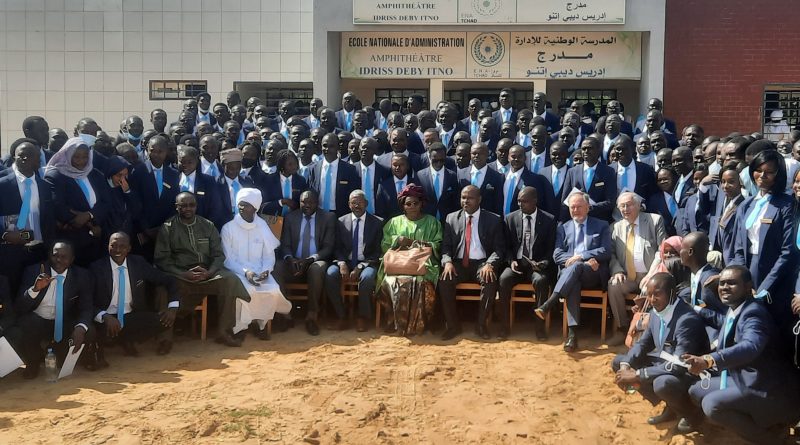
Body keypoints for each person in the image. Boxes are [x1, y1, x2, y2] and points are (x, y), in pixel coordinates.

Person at [683, 266, 800, 441]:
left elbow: (751, 345)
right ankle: (749, 424)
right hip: (743, 378)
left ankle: (771, 438)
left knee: (711, 404)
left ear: (748, 287)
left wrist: (709, 360)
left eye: (732, 283)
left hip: (765, 387)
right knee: (696, 390)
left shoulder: (754, 314)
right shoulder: (736, 309)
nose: (724, 287)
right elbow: (722, 321)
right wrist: (697, 310)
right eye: (722, 283)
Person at [612, 272, 710, 429]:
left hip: (689, 373)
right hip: (666, 363)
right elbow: (643, 344)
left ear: (672, 293)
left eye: (657, 294)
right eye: (649, 294)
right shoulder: (656, 313)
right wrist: (626, 366)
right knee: (619, 362)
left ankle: (692, 413)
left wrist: (637, 375)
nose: (652, 299)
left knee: (662, 383)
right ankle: (670, 406)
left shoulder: (687, 320)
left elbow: (679, 364)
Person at [154, 192, 249, 347]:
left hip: (207, 275)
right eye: (183, 206)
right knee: (162, 288)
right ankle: (165, 339)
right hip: (181, 276)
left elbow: (218, 255)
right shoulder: (168, 228)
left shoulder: (208, 225)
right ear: (177, 207)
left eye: (191, 205)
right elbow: (162, 260)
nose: (188, 208)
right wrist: (183, 274)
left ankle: (224, 332)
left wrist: (210, 272)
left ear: (196, 206)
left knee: (230, 280)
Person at [730, 149, 796, 347]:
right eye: (758, 170)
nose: (762, 176)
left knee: (772, 333)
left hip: (776, 276)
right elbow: (739, 246)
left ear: (778, 174)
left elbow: (788, 251)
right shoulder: (746, 205)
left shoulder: (787, 204)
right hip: (748, 271)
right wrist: (742, 279)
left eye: (769, 172)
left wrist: (764, 287)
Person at [536, 191, 611, 352]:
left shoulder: (602, 225)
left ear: (588, 207)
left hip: (593, 273)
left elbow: (606, 250)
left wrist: (581, 256)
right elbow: (557, 254)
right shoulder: (563, 227)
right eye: (572, 207)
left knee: (576, 267)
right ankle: (572, 336)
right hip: (572, 274)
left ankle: (551, 302)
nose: (575, 210)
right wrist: (578, 260)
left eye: (579, 207)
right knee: (574, 281)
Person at [90, 232, 178, 361]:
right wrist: (104, 316)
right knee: (96, 336)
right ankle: (111, 340)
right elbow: (87, 300)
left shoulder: (138, 263)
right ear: (108, 246)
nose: (117, 250)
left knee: (164, 322)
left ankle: (126, 339)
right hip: (107, 318)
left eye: (122, 246)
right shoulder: (96, 268)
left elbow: (169, 280)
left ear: (129, 248)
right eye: (113, 246)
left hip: (130, 315)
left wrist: (173, 307)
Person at [221, 188, 291, 341]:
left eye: (246, 205)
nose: (241, 207)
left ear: (254, 208)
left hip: (260, 271)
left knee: (272, 290)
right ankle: (240, 327)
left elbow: (268, 256)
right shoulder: (228, 228)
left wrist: (266, 270)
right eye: (240, 204)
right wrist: (246, 272)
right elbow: (228, 260)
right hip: (238, 272)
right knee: (247, 290)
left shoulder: (262, 227)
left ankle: (261, 324)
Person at [15, 241, 92, 379]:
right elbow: (19, 307)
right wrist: (35, 289)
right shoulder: (33, 271)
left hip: (63, 322)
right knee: (27, 323)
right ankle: (32, 362)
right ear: (49, 255)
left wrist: (80, 328)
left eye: (64, 257)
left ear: (72, 259)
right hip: (37, 320)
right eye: (55, 255)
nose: (59, 260)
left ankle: (61, 355)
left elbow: (86, 307)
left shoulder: (82, 275)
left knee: (89, 330)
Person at [438, 186, 506, 340]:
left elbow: (499, 249)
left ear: (479, 199)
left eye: (470, 198)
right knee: (444, 280)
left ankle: (481, 326)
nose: (465, 201)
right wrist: (447, 262)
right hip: (458, 263)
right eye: (463, 197)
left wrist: (489, 264)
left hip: (482, 263)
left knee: (489, 280)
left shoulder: (493, 219)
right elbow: (446, 247)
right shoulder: (451, 218)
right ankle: (453, 326)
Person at [376, 184, 442, 336]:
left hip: (424, 263)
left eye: (415, 203)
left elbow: (438, 244)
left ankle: (419, 325)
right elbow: (385, 245)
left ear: (421, 204)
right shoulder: (394, 222)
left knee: (420, 282)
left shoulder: (432, 222)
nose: (412, 207)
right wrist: (397, 240)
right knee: (393, 282)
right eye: (408, 204)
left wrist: (419, 244)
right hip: (397, 264)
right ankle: (396, 323)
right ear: (403, 206)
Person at [274, 190, 337, 336]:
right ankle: (285, 314)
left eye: (311, 202)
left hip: (315, 261)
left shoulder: (328, 217)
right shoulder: (290, 217)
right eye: (303, 202)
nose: (307, 205)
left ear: (317, 203)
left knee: (316, 269)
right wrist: (290, 258)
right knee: (276, 267)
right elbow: (285, 245)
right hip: (294, 262)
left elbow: (328, 247)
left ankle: (311, 316)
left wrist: (310, 259)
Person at [607, 192, 666, 346]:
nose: (625, 209)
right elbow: (611, 254)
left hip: (650, 274)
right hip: (628, 276)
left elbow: (662, 250)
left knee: (648, 289)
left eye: (629, 205)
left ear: (639, 205)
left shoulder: (654, 220)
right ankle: (622, 328)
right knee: (613, 285)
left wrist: (651, 275)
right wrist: (617, 270)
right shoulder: (615, 227)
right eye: (622, 206)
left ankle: (643, 333)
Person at [497, 186, 557, 340]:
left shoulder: (549, 220)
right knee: (503, 279)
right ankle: (504, 327)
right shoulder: (510, 218)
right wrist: (511, 261)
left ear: (535, 201)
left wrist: (544, 262)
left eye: (524, 201)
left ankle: (539, 329)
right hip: (517, 264)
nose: (520, 204)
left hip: (536, 266)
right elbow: (505, 247)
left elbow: (551, 248)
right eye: (518, 201)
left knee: (541, 281)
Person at [45, 137, 112, 266]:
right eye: (76, 157)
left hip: (97, 236)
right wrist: (80, 220)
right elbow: (58, 206)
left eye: (85, 157)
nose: (81, 161)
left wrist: (89, 215)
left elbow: (106, 202)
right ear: (68, 155)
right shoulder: (56, 176)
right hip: (71, 239)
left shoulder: (95, 174)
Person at [0, 141, 55, 293]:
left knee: (33, 294)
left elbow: (49, 220)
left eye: (30, 155)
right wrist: (5, 234)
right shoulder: (3, 185)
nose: (24, 158)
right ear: (14, 158)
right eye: (21, 155)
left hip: (38, 252)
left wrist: (50, 248)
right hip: (10, 252)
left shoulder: (44, 186)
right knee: (11, 294)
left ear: (38, 160)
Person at [324, 190, 383, 332]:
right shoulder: (340, 221)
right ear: (349, 204)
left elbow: (377, 251)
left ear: (366, 203)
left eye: (360, 202)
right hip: (346, 261)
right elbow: (336, 247)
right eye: (353, 202)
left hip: (367, 262)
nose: (357, 205)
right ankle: (341, 315)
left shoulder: (377, 222)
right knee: (330, 274)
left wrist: (360, 266)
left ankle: (363, 317)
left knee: (367, 278)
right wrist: (342, 263)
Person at [130, 135, 180, 258]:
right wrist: (146, 230)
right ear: (147, 150)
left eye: (160, 151)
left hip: (165, 231)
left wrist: (162, 228)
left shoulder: (173, 174)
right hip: (142, 232)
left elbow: (174, 203)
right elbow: (135, 203)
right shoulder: (138, 172)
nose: (156, 155)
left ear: (166, 152)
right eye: (152, 151)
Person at [560, 137, 617, 222]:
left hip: (599, 221)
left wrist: (588, 208)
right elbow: (565, 201)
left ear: (598, 150)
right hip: (577, 221)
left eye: (590, 148)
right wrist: (562, 222)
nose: (586, 151)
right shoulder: (572, 172)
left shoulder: (608, 171)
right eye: (584, 149)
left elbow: (610, 201)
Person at [701, 166, 744, 266]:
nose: (725, 186)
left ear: (740, 183)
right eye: (723, 182)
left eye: (731, 182)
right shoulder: (728, 205)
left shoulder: (743, 205)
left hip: (733, 261)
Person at [309, 133, 359, 218]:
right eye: (325, 146)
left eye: (331, 146)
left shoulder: (349, 169)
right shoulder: (314, 168)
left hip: (340, 215)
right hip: (318, 214)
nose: (327, 149)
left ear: (338, 147)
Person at [175, 145, 222, 225]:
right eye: (182, 162)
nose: (185, 165)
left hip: (202, 226)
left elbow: (216, 207)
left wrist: (206, 226)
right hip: (178, 226)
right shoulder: (173, 179)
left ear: (197, 161)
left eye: (190, 162)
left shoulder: (208, 181)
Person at [679, 232, 724, 314]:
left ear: (690, 251)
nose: (680, 252)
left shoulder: (709, 281)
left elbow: (725, 317)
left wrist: (696, 309)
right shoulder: (695, 275)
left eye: (681, 248)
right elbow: (703, 304)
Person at [457, 142, 504, 216]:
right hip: (465, 217)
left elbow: (498, 202)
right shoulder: (461, 174)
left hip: (487, 218)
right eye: (474, 153)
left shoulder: (497, 177)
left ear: (487, 155)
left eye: (480, 153)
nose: (476, 156)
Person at [415, 142, 459, 222]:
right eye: (435, 160)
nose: (439, 163)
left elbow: (455, 200)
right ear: (429, 157)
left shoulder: (452, 176)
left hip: (447, 220)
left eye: (442, 160)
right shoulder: (420, 175)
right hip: (426, 220)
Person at [261, 149, 308, 216]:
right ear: (282, 165)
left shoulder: (301, 181)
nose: (294, 166)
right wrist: (281, 202)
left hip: (293, 219)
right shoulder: (269, 180)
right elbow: (264, 205)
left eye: (295, 163)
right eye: (290, 164)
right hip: (274, 218)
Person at [354, 137, 389, 215]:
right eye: (363, 147)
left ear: (375, 150)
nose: (364, 150)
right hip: (357, 214)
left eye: (368, 148)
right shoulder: (351, 169)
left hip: (378, 215)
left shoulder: (385, 171)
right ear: (359, 149)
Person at [646, 167, 680, 236]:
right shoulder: (654, 201)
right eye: (659, 180)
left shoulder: (683, 195)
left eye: (665, 179)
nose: (662, 182)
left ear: (674, 178)